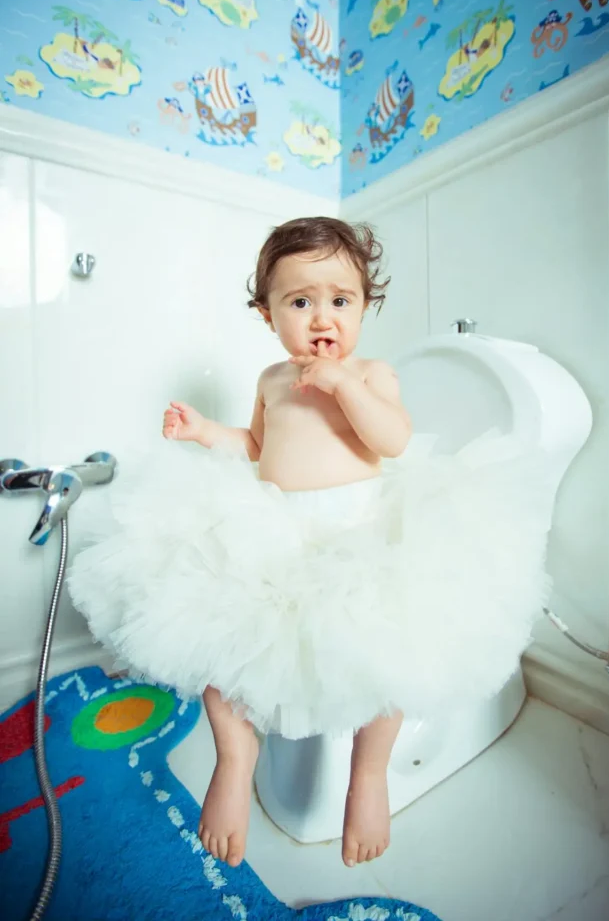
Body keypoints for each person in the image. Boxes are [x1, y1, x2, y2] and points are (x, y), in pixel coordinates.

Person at [68, 217, 553, 871]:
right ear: (268, 316)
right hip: (276, 535)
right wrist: (206, 430)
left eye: (339, 300)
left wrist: (346, 387)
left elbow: (392, 440)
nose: (320, 317)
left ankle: (368, 775)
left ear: (364, 307)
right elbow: (258, 448)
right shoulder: (272, 379)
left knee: (388, 660)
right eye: (299, 302)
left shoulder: (373, 373)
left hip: (358, 539)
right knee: (223, 651)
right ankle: (234, 766)